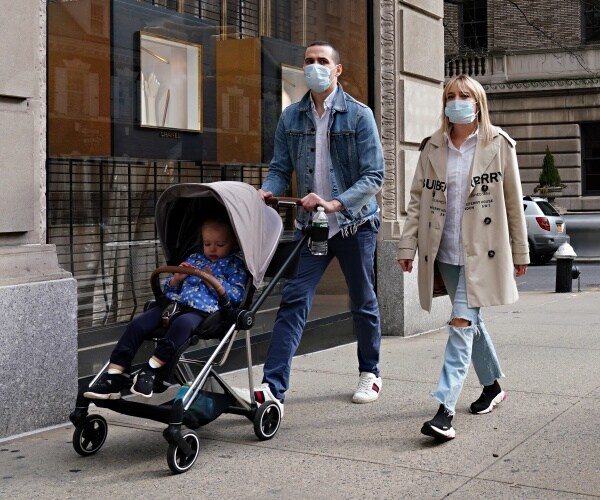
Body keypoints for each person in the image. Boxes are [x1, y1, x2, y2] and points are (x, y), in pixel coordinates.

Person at [254, 41, 385, 412]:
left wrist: (336, 202)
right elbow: (281, 168)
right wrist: (269, 191)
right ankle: (272, 386)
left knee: (362, 300)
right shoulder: (290, 117)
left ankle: (370, 372)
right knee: (294, 300)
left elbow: (374, 175)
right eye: (309, 61)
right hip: (312, 227)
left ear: (337, 69)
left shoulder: (359, 115)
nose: (315, 67)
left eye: (323, 61)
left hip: (354, 224)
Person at [397, 74, 529, 440]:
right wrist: (407, 246)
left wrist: (520, 251)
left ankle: (444, 411)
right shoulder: (432, 147)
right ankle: (492, 386)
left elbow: (513, 205)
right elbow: (417, 201)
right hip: (445, 253)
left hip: (482, 254)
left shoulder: (498, 145)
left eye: (464, 96)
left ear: (478, 103)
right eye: (451, 95)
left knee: (460, 326)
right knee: (471, 322)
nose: (457, 101)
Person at [84, 216, 248, 400]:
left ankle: (152, 369)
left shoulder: (235, 265)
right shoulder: (195, 258)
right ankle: (115, 374)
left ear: (233, 243)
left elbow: (236, 296)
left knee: (182, 325)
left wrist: (214, 283)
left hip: (204, 312)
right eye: (207, 243)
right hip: (174, 304)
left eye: (219, 244)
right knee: (138, 325)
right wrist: (177, 278)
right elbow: (169, 288)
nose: (212, 249)